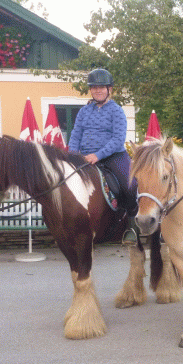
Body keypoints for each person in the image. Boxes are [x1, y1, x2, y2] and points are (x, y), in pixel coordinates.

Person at [68, 68, 137, 244]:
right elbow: (76, 135)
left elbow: (118, 139)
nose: (98, 90)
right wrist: (73, 156)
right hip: (84, 157)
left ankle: (132, 227)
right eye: (94, 87)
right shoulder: (84, 112)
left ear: (110, 89)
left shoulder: (117, 111)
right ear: (91, 90)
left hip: (113, 156)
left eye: (102, 87)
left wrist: (97, 155)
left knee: (130, 185)